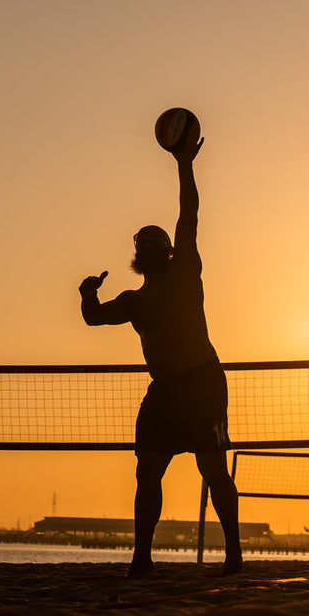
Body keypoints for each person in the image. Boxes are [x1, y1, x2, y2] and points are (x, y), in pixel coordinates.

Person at [79, 131, 242, 577]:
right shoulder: (134, 300)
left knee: (212, 468)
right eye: (140, 245)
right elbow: (94, 319)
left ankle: (233, 556)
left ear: (167, 252)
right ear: (137, 255)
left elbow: (188, 212)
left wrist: (184, 163)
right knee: (148, 469)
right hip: (163, 391)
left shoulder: (186, 271)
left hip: (202, 382)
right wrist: (86, 294)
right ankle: (141, 557)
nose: (145, 249)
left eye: (152, 244)